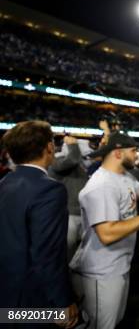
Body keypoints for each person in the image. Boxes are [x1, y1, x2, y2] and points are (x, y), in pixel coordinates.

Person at [69, 132, 139, 329]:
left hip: (117, 265)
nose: (137, 155)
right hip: (100, 270)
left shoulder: (122, 176)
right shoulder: (101, 185)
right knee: (101, 325)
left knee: (112, 321)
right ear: (118, 153)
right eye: (133, 151)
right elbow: (107, 234)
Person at [0, 121, 78, 327]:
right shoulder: (49, 190)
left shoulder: (4, 183)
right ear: (49, 148)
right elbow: (47, 255)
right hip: (31, 301)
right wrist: (63, 302)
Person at [50, 135, 92, 260]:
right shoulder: (57, 160)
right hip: (68, 215)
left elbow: (88, 158)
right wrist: (73, 144)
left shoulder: (80, 164)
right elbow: (73, 158)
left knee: (78, 254)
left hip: (81, 214)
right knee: (66, 254)